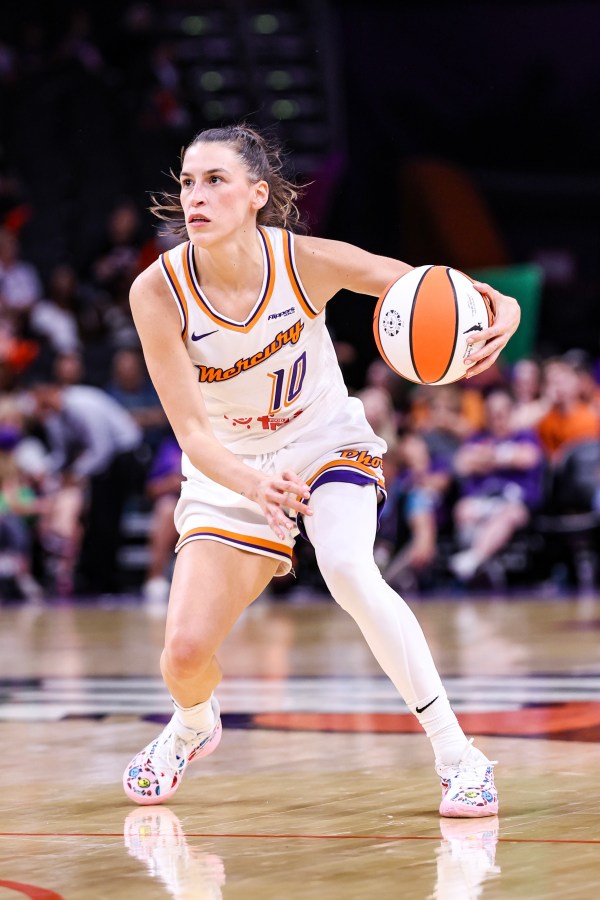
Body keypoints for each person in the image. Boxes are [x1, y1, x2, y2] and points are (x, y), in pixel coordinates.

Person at [122, 124, 520, 816]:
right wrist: (251, 485)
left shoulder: (305, 262)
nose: (196, 195)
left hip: (322, 442)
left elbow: (430, 287)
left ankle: (460, 755)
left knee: (347, 568)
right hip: (229, 467)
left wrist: (502, 308)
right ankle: (192, 724)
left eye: (215, 180)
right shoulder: (157, 294)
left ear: (257, 195)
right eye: (188, 181)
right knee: (183, 655)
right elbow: (190, 432)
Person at [449, 388, 544, 584]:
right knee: (463, 509)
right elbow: (462, 464)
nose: (496, 419)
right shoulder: (477, 436)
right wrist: (505, 456)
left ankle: (474, 559)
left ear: (511, 413)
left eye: (501, 413)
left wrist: (488, 456)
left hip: (513, 503)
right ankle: (482, 560)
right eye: (491, 413)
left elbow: (527, 458)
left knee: (507, 515)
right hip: (482, 500)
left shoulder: (525, 435)